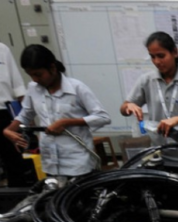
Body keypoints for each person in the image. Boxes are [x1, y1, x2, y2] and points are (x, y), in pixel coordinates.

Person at [2, 45, 111, 183]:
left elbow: (103, 117)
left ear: (52, 68)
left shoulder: (77, 88)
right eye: (31, 75)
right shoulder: (33, 89)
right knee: (54, 194)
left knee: (77, 194)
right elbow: (25, 114)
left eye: (38, 74)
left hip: (78, 162)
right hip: (50, 162)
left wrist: (66, 122)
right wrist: (8, 130)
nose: (35, 79)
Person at [120, 32, 178, 175]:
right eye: (152, 57)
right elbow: (123, 109)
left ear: (174, 52)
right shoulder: (147, 81)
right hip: (160, 159)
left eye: (161, 56)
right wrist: (128, 106)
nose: (157, 61)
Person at [0, 42, 34, 186]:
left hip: (4, 113)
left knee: (14, 160)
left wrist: (28, 118)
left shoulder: (2, 49)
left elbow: (18, 85)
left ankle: (19, 194)